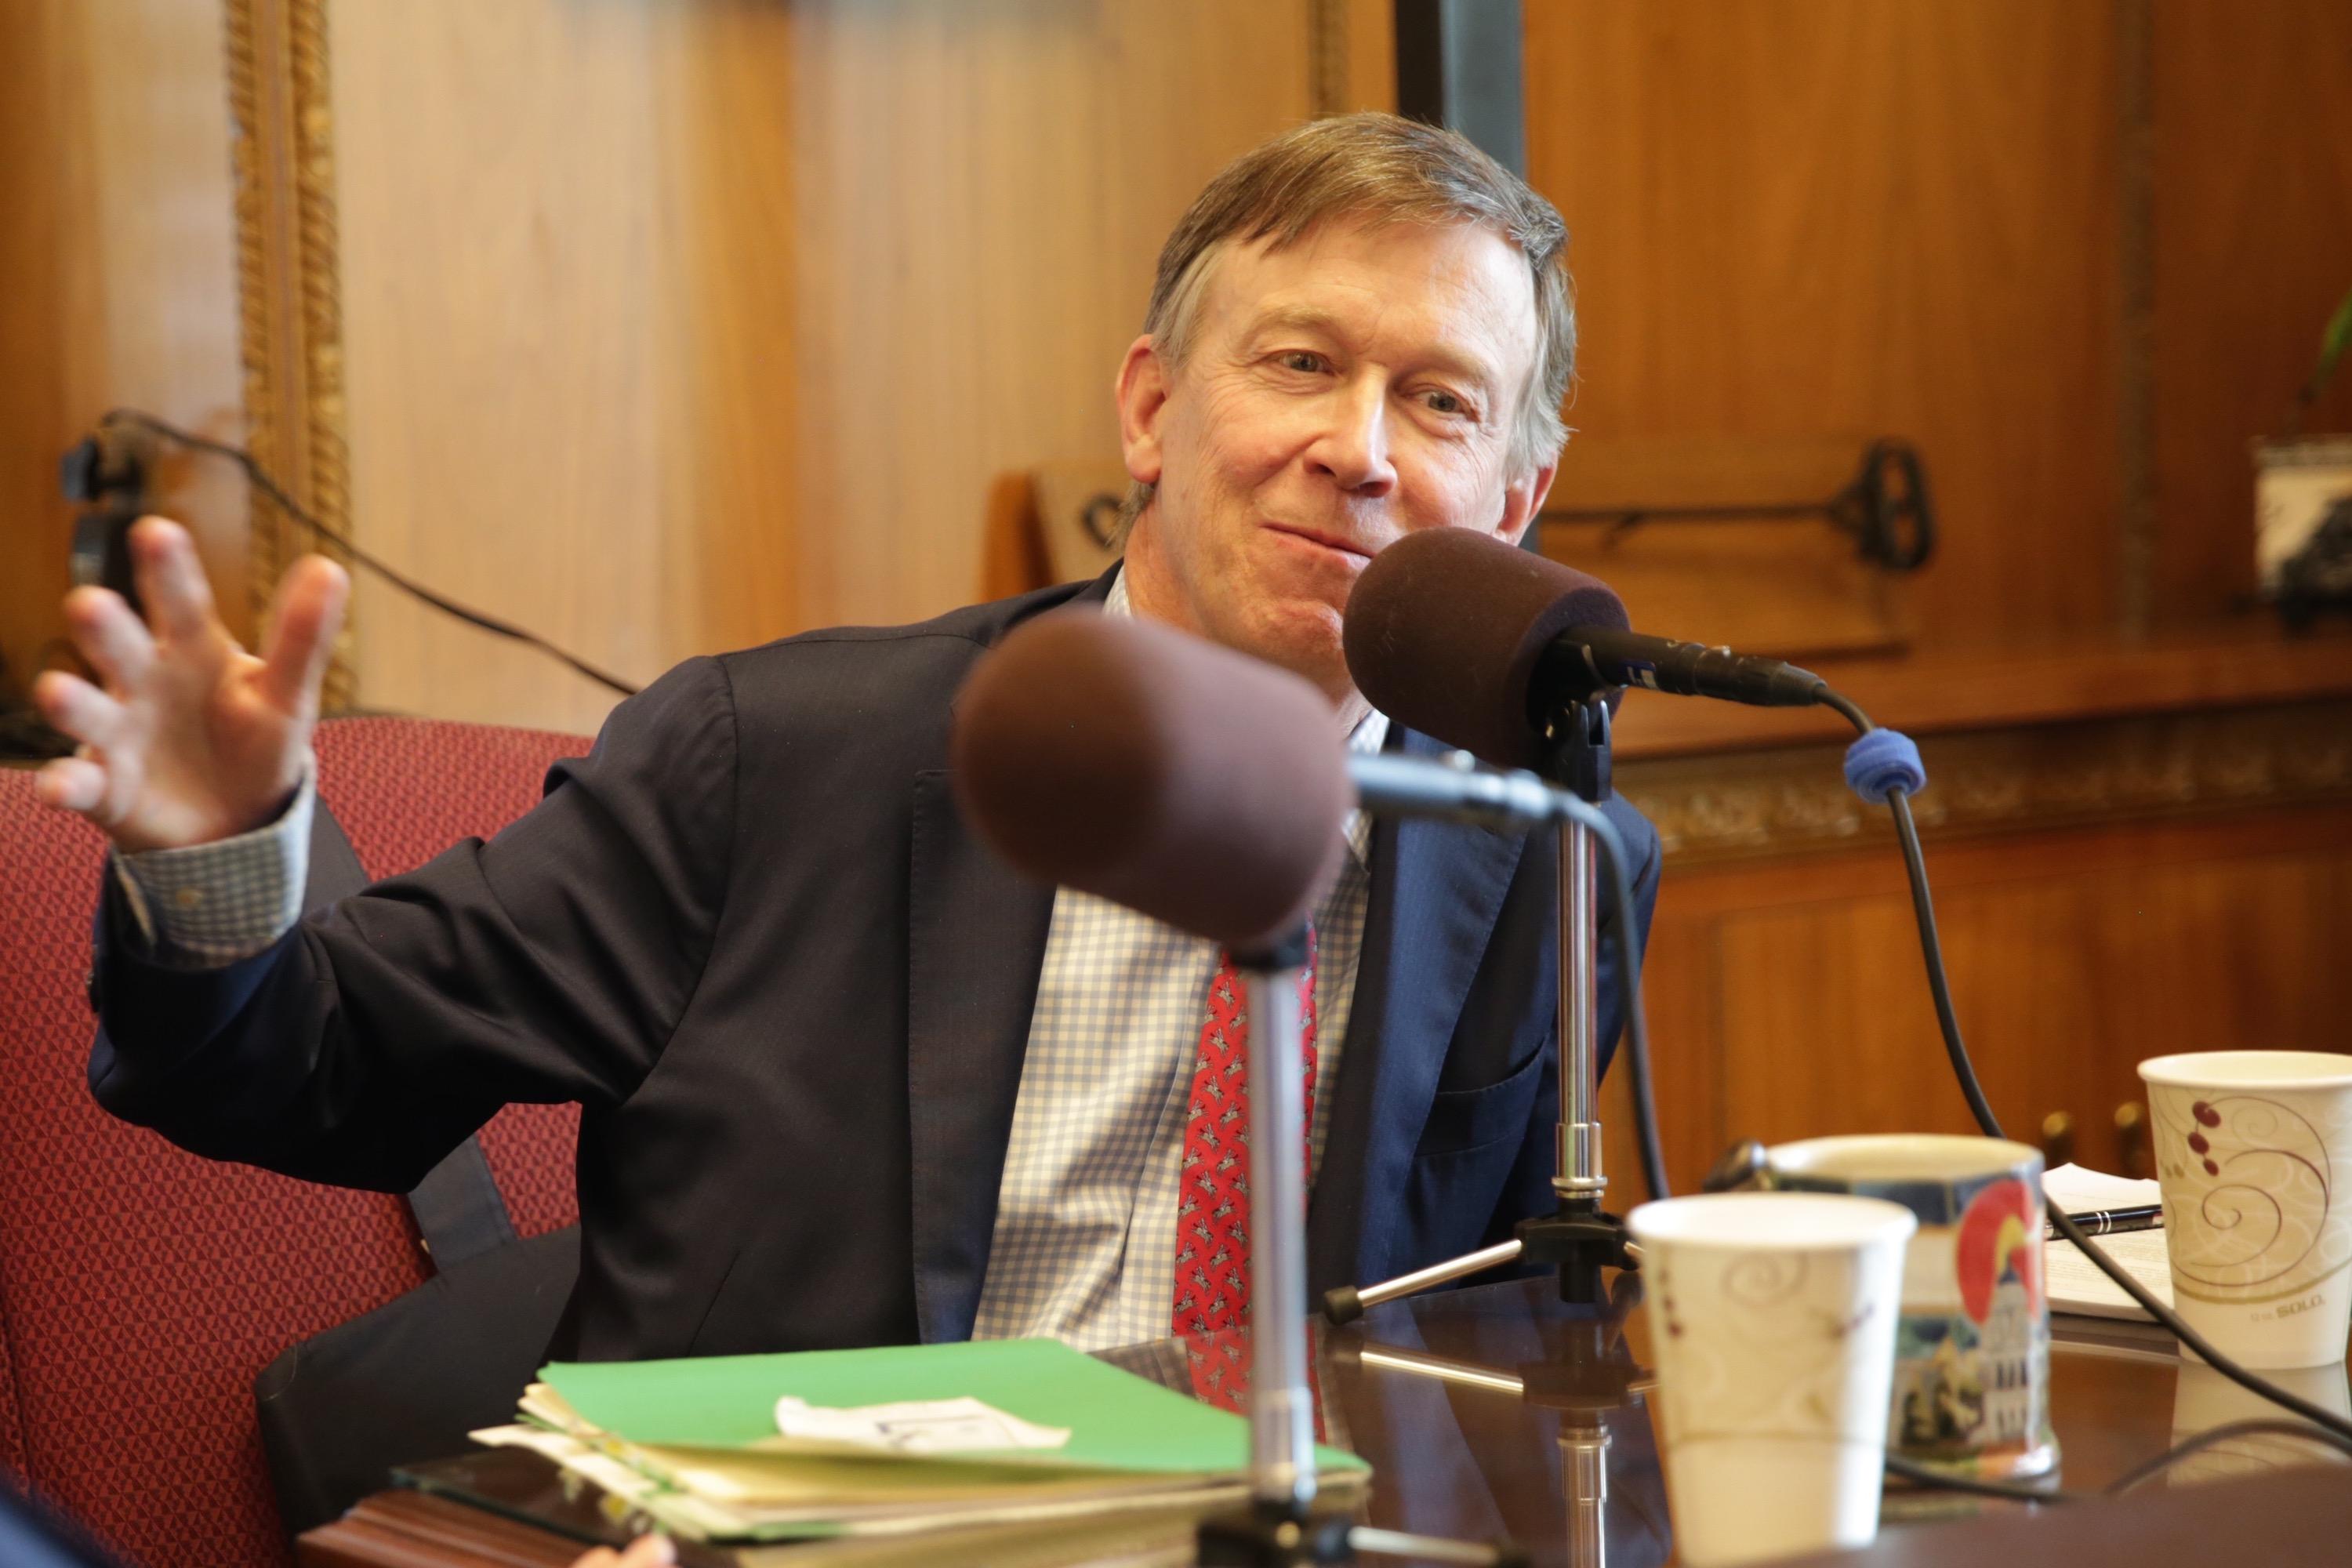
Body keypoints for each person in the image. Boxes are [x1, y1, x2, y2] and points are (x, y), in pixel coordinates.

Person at [36, 113, 1657, 1364]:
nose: (1358, 452)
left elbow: (1499, 1339)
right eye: (1300, 364)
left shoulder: (1557, 849)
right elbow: (315, 1062)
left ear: (1513, 505)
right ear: (1153, 411)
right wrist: (218, 858)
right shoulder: (778, 755)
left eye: (1441, 402)